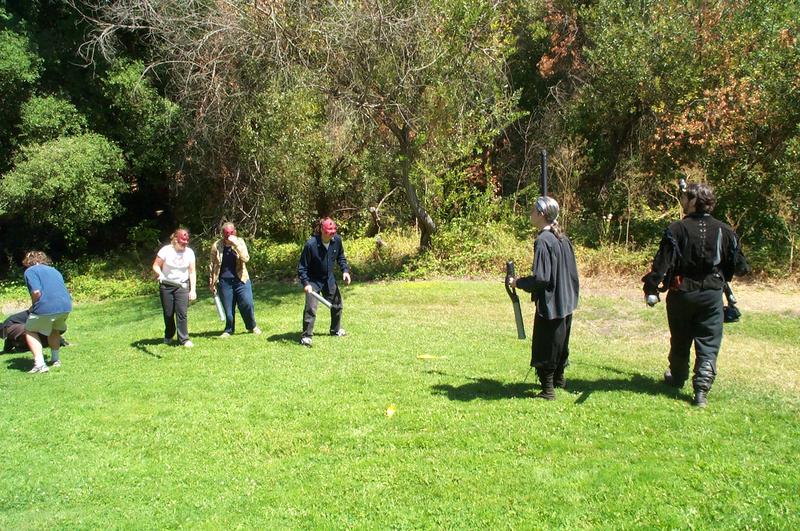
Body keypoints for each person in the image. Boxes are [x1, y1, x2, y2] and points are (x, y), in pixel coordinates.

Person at [642, 181, 750, 408]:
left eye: (685, 197)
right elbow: (740, 267)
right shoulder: (725, 230)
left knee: (680, 339)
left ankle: (678, 377)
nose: (681, 200)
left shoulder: (676, 229)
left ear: (693, 202)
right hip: (711, 294)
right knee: (708, 342)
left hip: (682, 294)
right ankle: (700, 391)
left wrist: (651, 287)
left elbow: (661, 264)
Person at [511, 197, 580, 400]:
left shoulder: (543, 241)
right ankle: (559, 379)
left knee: (547, 344)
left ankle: (548, 389)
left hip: (552, 303)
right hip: (565, 300)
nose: (531, 213)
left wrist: (518, 282)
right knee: (560, 342)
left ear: (541, 214)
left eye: (533, 210)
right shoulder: (562, 237)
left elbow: (542, 278)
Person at [297, 217, 352, 347]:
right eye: (329, 231)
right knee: (311, 308)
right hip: (313, 280)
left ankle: (335, 330)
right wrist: (306, 283)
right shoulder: (311, 245)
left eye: (334, 231)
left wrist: (345, 270)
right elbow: (302, 267)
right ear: (322, 230)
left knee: (337, 304)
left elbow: (341, 257)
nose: (332, 234)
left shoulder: (337, 241)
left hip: (328, 278)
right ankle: (306, 337)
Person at [21, 251, 73, 373]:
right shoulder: (54, 270)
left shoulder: (30, 271)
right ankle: (55, 360)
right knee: (54, 329)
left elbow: (36, 292)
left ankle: (40, 364)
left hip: (46, 306)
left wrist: (34, 306)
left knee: (30, 330)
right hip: (65, 306)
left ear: (28, 261)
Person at [209, 222, 261, 338]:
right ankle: (229, 330)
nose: (228, 235)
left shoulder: (240, 242)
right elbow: (212, 264)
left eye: (231, 233)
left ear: (235, 232)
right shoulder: (217, 245)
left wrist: (235, 245)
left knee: (247, 304)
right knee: (228, 310)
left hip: (241, 279)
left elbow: (246, 258)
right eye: (226, 233)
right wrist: (212, 282)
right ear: (222, 233)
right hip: (224, 282)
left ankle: (252, 326)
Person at [152, 228, 197, 347]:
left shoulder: (189, 252)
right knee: (168, 313)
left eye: (186, 242)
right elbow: (156, 265)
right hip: (166, 285)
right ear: (176, 240)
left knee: (182, 313)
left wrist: (193, 290)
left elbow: (192, 271)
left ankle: (184, 339)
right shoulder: (165, 250)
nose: (185, 244)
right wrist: (160, 274)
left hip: (182, 285)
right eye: (182, 242)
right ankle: (169, 334)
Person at [2, 309, 67, 354]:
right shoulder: (39, 311)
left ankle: (22, 346)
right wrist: (7, 349)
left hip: (17, 328)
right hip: (12, 326)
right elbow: (9, 337)